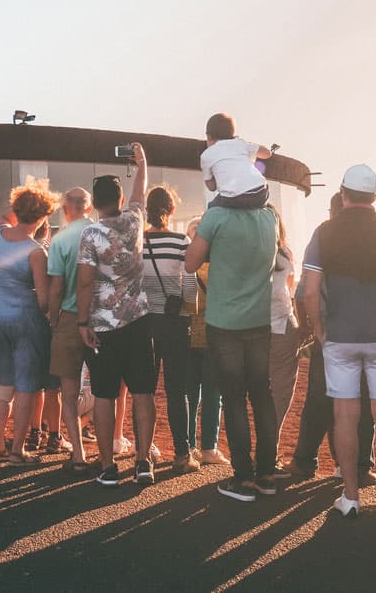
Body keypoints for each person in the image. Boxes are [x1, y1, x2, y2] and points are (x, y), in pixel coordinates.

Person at [303, 165, 376, 521]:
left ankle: (350, 496)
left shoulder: (324, 232)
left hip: (340, 334)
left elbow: (309, 292)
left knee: (345, 416)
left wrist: (320, 329)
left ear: (343, 193)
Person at [185, 170, 279, 502]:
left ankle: (243, 478)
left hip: (225, 321)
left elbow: (190, 263)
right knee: (262, 395)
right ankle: (268, 472)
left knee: (235, 398)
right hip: (259, 320)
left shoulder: (216, 217)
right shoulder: (270, 219)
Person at [77, 144, 156, 487]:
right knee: (143, 393)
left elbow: (84, 283)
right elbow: (141, 193)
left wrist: (82, 322)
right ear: (121, 201)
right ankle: (142, 462)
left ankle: (108, 466)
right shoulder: (135, 221)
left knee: (106, 395)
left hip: (102, 326)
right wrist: (142, 164)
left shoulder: (90, 234)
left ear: (94, 204)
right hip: (138, 321)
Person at [286, 193, 376, 484]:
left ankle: (304, 462)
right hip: (366, 333)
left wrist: (309, 327)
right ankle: (360, 467)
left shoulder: (323, 238)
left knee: (320, 400)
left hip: (330, 332)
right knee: (362, 400)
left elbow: (305, 293)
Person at [0, 180, 59, 466]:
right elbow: (43, 300)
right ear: (42, 217)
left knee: (3, 384)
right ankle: (17, 451)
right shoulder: (36, 252)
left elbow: (4, 219)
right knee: (27, 387)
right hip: (26, 323)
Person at [142, 185, 199, 473]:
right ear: (172, 210)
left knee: (145, 391)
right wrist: (188, 308)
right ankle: (182, 453)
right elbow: (189, 283)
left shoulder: (137, 243)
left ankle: (145, 451)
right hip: (175, 322)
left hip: (144, 322)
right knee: (178, 391)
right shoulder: (181, 242)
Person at [47, 187, 97, 474]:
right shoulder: (101, 234)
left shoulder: (61, 239)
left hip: (68, 317)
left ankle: (78, 454)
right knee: (104, 389)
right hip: (99, 318)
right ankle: (106, 455)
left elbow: (55, 287)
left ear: (65, 209)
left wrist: (54, 319)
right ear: (88, 208)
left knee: (68, 390)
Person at [183, 217, 228, 466]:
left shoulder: (187, 267)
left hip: (189, 338)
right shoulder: (219, 267)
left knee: (190, 394)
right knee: (213, 394)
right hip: (214, 338)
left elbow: (188, 305)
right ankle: (209, 448)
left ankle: (189, 445)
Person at [266, 205, 300, 474]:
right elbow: (290, 290)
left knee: (255, 391)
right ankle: (268, 453)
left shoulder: (246, 253)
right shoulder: (285, 253)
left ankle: (253, 456)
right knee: (281, 393)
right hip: (281, 326)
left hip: (251, 326)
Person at [200, 113, 273, 209]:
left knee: (211, 207)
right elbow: (267, 154)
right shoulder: (240, 143)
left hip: (235, 199)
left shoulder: (206, 155)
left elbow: (211, 187)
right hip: (260, 192)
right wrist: (251, 147)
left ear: (208, 137)